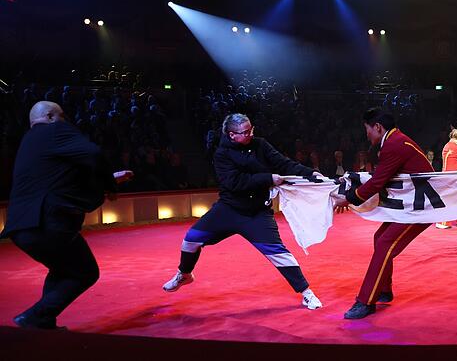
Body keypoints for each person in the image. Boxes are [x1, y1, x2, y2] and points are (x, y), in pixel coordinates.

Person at [162, 113, 323, 310]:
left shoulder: (260, 144)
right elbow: (235, 182)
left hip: (257, 213)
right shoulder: (222, 153)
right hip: (228, 209)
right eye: (245, 132)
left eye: (251, 130)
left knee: (279, 253)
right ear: (231, 135)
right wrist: (268, 178)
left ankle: (306, 293)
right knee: (191, 239)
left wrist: (309, 173)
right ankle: (184, 274)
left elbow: (283, 163)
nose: (250, 134)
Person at [1, 101, 133, 329]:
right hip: (47, 223)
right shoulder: (54, 129)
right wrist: (110, 186)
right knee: (85, 272)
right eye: (63, 116)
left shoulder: (29, 141)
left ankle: (43, 323)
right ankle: (33, 316)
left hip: (21, 227)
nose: (66, 122)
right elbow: (93, 153)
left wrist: (106, 181)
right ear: (51, 116)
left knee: (62, 269)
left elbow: (58, 181)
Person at [333, 108, 434, 319]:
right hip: (412, 204)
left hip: (420, 208)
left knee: (385, 244)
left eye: (367, 129)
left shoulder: (394, 144)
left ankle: (366, 301)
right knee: (380, 238)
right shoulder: (395, 140)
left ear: (377, 127)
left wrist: (349, 199)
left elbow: (378, 181)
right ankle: (384, 290)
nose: (366, 134)